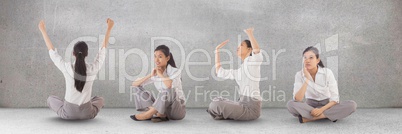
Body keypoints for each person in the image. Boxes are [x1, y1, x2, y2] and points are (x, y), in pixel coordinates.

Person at [39, 18, 114, 119]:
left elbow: (52, 53)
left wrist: (43, 30)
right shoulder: (93, 69)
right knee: (100, 99)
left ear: (73, 54)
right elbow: (102, 51)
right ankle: (87, 104)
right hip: (87, 113)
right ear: (87, 54)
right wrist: (109, 28)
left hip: (68, 113)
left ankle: (70, 105)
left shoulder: (67, 67)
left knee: (51, 99)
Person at [287, 46, 357, 123]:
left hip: (327, 105)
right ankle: (329, 115)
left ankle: (309, 118)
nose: (307, 60)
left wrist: (321, 110)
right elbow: (298, 99)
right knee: (290, 104)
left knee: (352, 105)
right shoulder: (299, 75)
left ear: (317, 60)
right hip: (310, 106)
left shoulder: (327, 72)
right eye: (305, 58)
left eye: (311, 58)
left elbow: (335, 99)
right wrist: (306, 79)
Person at [206, 27, 263, 121]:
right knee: (217, 100)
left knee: (215, 104)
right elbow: (219, 71)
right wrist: (217, 51)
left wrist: (250, 33)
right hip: (241, 103)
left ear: (249, 49)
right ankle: (219, 111)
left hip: (251, 109)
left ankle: (218, 111)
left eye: (241, 45)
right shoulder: (240, 70)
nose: (238, 47)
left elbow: (256, 50)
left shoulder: (253, 61)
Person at [130, 45, 186, 122]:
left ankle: (148, 114)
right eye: (155, 56)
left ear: (167, 58)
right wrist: (150, 75)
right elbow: (134, 84)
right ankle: (158, 113)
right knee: (137, 87)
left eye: (160, 57)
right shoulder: (155, 72)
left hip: (176, 110)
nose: (156, 60)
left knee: (169, 90)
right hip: (162, 108)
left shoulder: (175, 71)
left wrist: (160, 74)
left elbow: (169, 85)